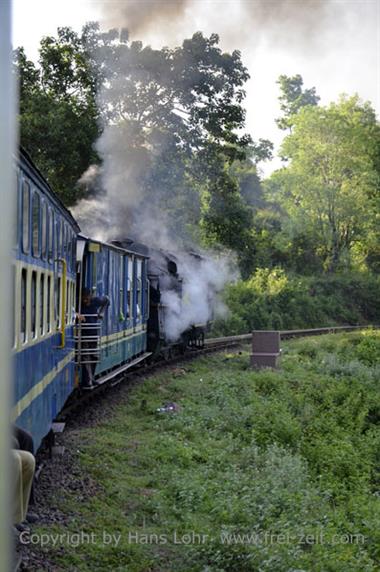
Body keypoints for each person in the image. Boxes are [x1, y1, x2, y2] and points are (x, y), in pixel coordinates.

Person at [78, 288, 110, 389]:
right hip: (83, 334)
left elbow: (107, 300)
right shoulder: (78, 304)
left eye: (87, 298)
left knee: (94, 356)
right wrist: (76, 314)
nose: (85, 301)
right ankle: (88, 381)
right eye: (84, 299)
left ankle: (92, 377)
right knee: (85, 356)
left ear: (91, 297)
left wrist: (101, 313)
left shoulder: (96, 301)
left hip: (93, 333)